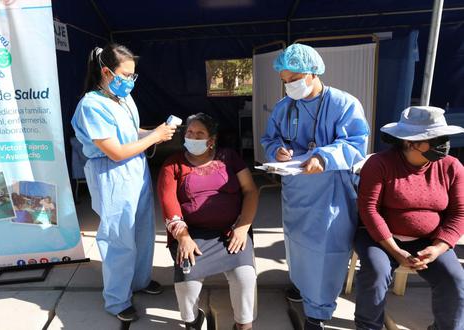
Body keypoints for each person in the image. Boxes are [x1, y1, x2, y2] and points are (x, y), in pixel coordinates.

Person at [260, 43, 369, 329]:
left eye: (294, 80)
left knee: (325, 250)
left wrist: (324, 156)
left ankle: (317, 313)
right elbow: (269, 139)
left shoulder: (343, 104)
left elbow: (356, 143)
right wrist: (277, 152)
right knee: (296, 245)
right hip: (296, 190)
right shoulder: (284, 107)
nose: (289, 87)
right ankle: (302, 287)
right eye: (285, 81)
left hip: (330, 191)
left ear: (312, 73)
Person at [71, 43, 177, 322]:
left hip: (135, 171)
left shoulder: (123, 99)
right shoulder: (91, 106)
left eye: (133, 75)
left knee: (141, 232)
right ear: (106, 72)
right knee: (119, 239)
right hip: (111, 175)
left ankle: (139, 281)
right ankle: (117, 300)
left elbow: (131, 132)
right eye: (125, 75)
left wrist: (153, 131)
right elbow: (115, 150)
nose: (130, 81)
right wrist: (154, 138)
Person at [354, 106, 464, 330]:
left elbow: (459, 213)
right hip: (380, 238)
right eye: (434, 139)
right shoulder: (379, 164)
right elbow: (369, 210)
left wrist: (438, 248)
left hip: (430, 241)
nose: (443, 145)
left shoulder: (452, 167)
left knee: (455, 279)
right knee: (376, 272)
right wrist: (396, 251)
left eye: (444, 138)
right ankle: (368, 326)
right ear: (410, 142)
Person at [157, 113, 259, 330]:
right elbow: (169, 204)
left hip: (231, 232)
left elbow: (250, 191)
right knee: (187, 284)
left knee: (245, 276)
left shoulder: (229, 157)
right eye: (190, 133)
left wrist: (242, 228)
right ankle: (194, 320)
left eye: (199, 133)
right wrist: (183, 237)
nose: (192, 137)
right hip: (191, 235)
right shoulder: (172, 164)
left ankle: (243, 325)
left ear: (211, 139)